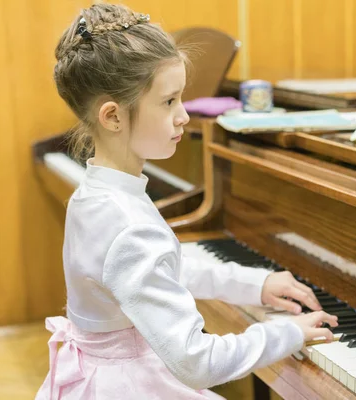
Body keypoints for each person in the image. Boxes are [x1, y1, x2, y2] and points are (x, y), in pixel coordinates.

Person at [35, 3, 338, 399]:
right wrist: (284, 333)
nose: (184, 116)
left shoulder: (95, 193)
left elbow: (162, 270)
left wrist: (253, 283)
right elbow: (197, 363)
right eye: (169, 101)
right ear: (112, 117)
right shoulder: (129, 225)